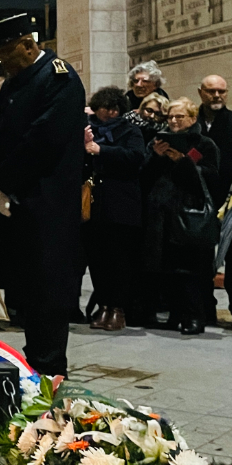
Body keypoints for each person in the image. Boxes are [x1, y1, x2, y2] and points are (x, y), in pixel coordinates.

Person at [0, 15, 87, 376]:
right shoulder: (15, 83)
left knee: (49, 291)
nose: (4, 62)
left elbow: (43, 140)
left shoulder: (59, 79)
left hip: (48, 204)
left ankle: (50, 370)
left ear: (29, 45)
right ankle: (34, 363)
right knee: (27, 289)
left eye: (9, 53)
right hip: (19, 204)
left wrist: (2, 183)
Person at [140, 97, 220, 335]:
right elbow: (143, 178)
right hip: (160, 216)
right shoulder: (157, 142)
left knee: (191, 271)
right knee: (167, 269)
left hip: (189, 215)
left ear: (192, 118)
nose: (174, 121)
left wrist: (182, 162)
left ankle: (195, 316)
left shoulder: (204, 144)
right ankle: (175, 315)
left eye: (179, 117)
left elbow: (212, 179)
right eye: (171, 117)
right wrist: (156, 156)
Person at [82, 87, 147, 331]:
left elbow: (135, 157)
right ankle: (103, 306)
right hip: (94, 204)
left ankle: (117, 309)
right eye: (105, 108)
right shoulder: (88, 131)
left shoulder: (130, 131)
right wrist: (85, 147)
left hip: (121, 204)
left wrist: (101, 150)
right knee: (97, 260)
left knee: (119, 260)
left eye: (114, 108)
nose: (110, 112)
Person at [196, 75, 232, 327]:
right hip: (199, 200)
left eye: (221, 91)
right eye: (211, 91)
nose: (216, 96)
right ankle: (205, 309)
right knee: (200, 259)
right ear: (201, 93)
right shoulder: (191, 122)